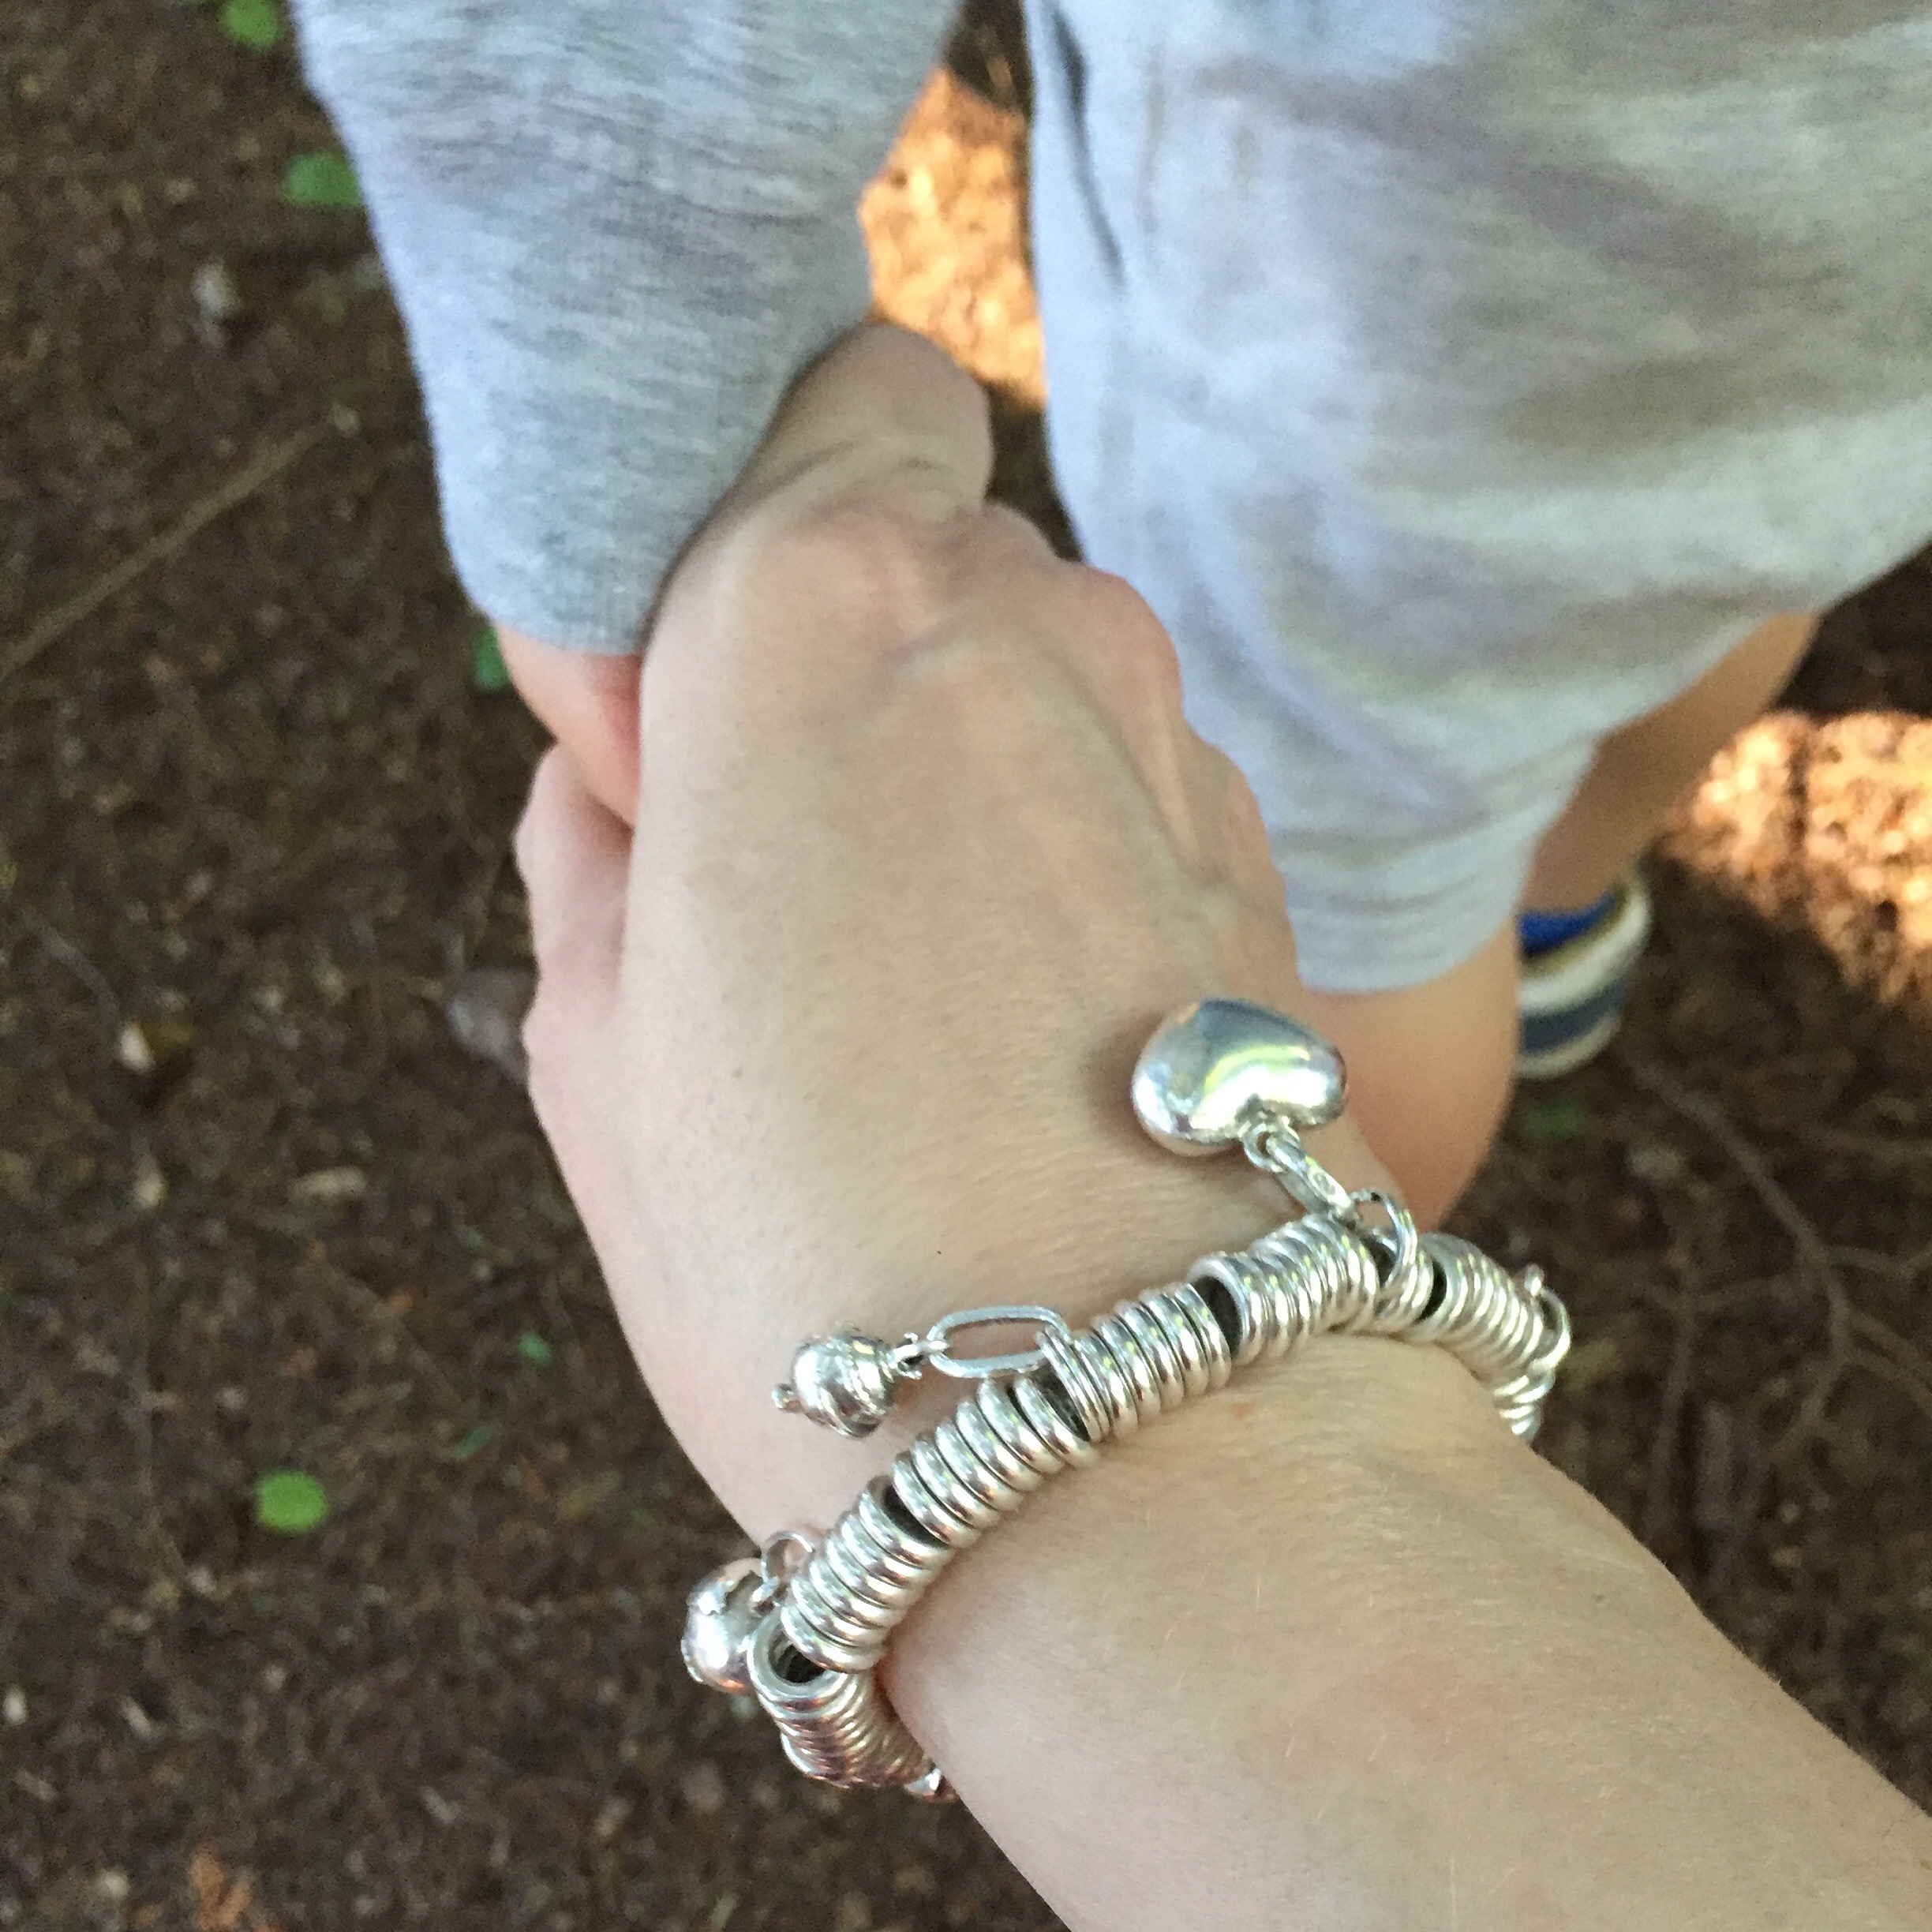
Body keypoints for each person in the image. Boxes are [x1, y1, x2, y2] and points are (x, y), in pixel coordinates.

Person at [515, 321, 1932, 1927]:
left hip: (1355, 448)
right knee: (1681, 625)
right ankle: (1557, 913)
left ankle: (1512, 943)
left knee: (1375, 888)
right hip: (1821, 394)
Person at [289, 0, 1932, 1222]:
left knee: (1320, 912)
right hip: (1857, 302)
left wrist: (605, 499)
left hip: (1386, 351)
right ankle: (1562, 910)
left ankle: (1280, 1304)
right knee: (1706, 580)